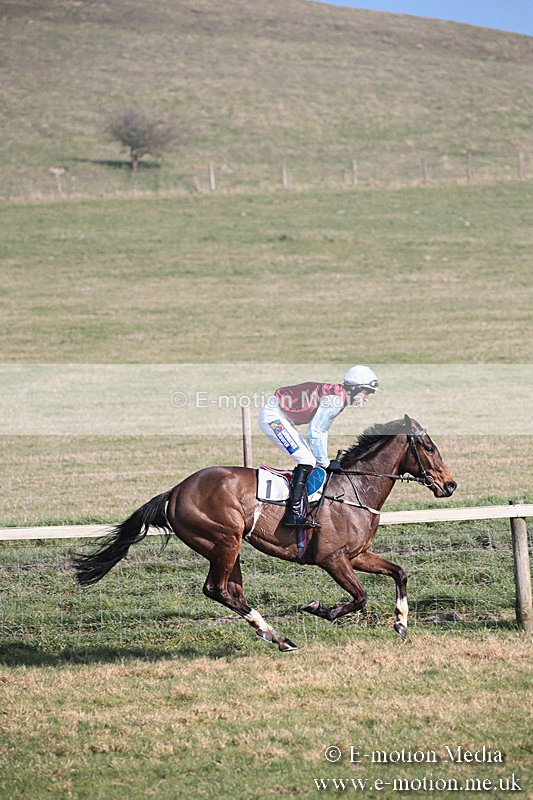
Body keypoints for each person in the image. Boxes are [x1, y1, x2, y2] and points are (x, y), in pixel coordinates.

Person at [258, 365, 381, 527]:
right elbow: (315, 432)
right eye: (367, 393)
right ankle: (292, 514)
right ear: (355, 388)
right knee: (307, 459)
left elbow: (320, 432)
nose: (366, 398)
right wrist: (326, 463)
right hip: (273, 416)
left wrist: (324, 461)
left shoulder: (339, 396)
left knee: (310, 459)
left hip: (280, 415)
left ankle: (301, 503)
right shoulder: (335, 400)